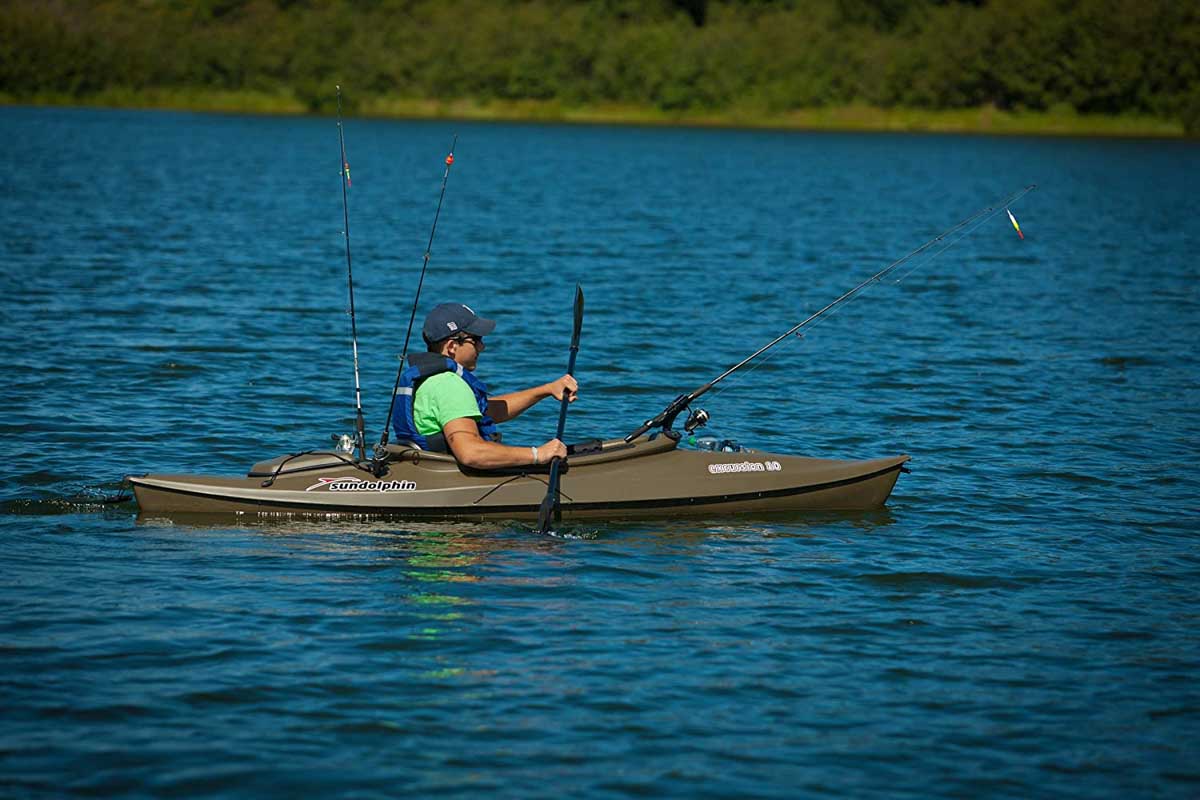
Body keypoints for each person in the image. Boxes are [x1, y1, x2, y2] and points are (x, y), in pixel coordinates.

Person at [391, 302, 577, 469]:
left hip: (424, 470)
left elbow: (489, 411)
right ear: (452, 346)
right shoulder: (449, 385)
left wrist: (546, 390)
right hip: (452, 480)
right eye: (476, 340)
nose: (482, 347)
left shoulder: (431, 380)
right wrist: (538, 454)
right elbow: (471, 453)